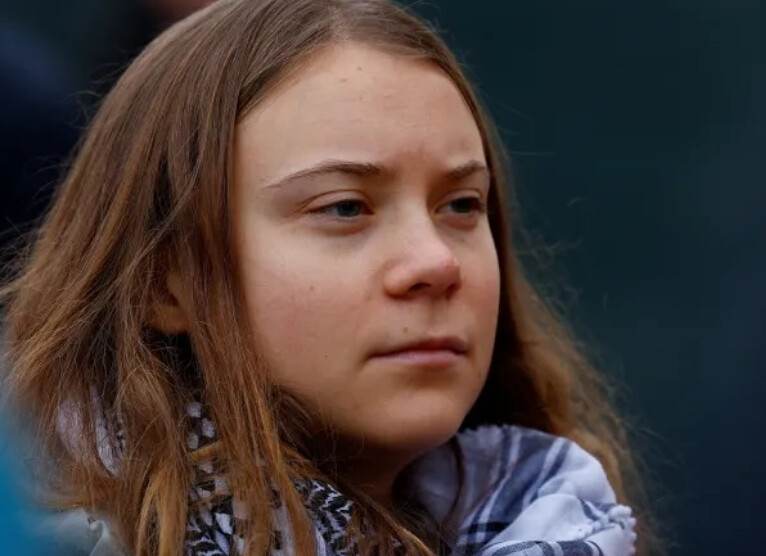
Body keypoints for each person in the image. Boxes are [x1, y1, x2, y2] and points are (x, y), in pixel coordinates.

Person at [1, 0, 653, 554]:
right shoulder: (48, 532)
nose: (436, 263)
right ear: (166, 282)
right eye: (344, 208)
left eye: (461, 205)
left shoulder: (564, 519)